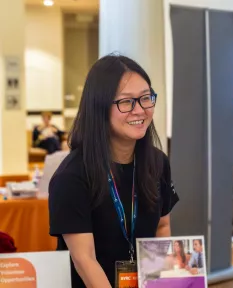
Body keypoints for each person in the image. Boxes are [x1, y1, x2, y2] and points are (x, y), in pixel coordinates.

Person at [48, 55, 179, 288]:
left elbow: (162, 226)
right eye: (126, 102)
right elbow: (83, 259)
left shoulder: (157, 164)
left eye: (146, 98)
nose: (139, 110)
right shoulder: (72, 176)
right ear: (99, 106)